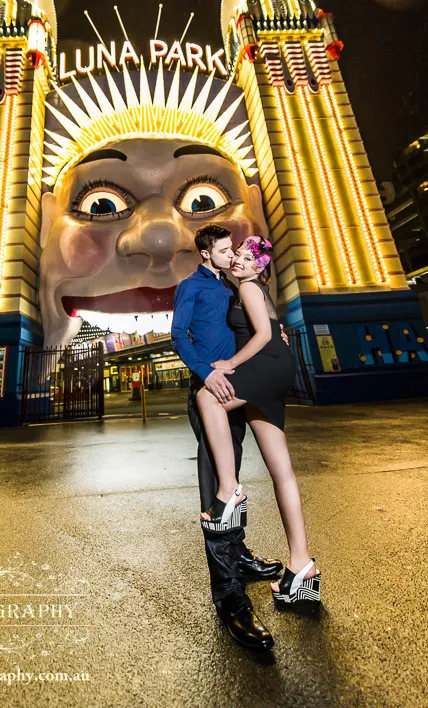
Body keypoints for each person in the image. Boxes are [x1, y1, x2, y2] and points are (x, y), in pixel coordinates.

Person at [171, 224, 285, 652]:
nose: (231, 255)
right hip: (209, 390)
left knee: (232, 477)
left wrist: (275, 334)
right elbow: (178, 335)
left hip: (236, 389)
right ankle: (229, 595)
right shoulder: (191, 286)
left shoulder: (232, 285)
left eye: (232, 249)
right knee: (217, 491)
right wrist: (206, 372)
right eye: (223, 250)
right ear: (206, 254)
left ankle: (239, 556)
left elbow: (253, 326)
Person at [197, 234, 322, 615]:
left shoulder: (249, 287)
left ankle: (229, 491)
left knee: (208, 397)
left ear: (259, 266)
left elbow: (265, 334)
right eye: (237, 254)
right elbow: (270, 328)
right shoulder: (253, 289)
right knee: (282, 472)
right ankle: (301, 566)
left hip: (265, 365)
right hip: (273, 365)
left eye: (248, 258)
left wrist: (229, 364)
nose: (239, 261)